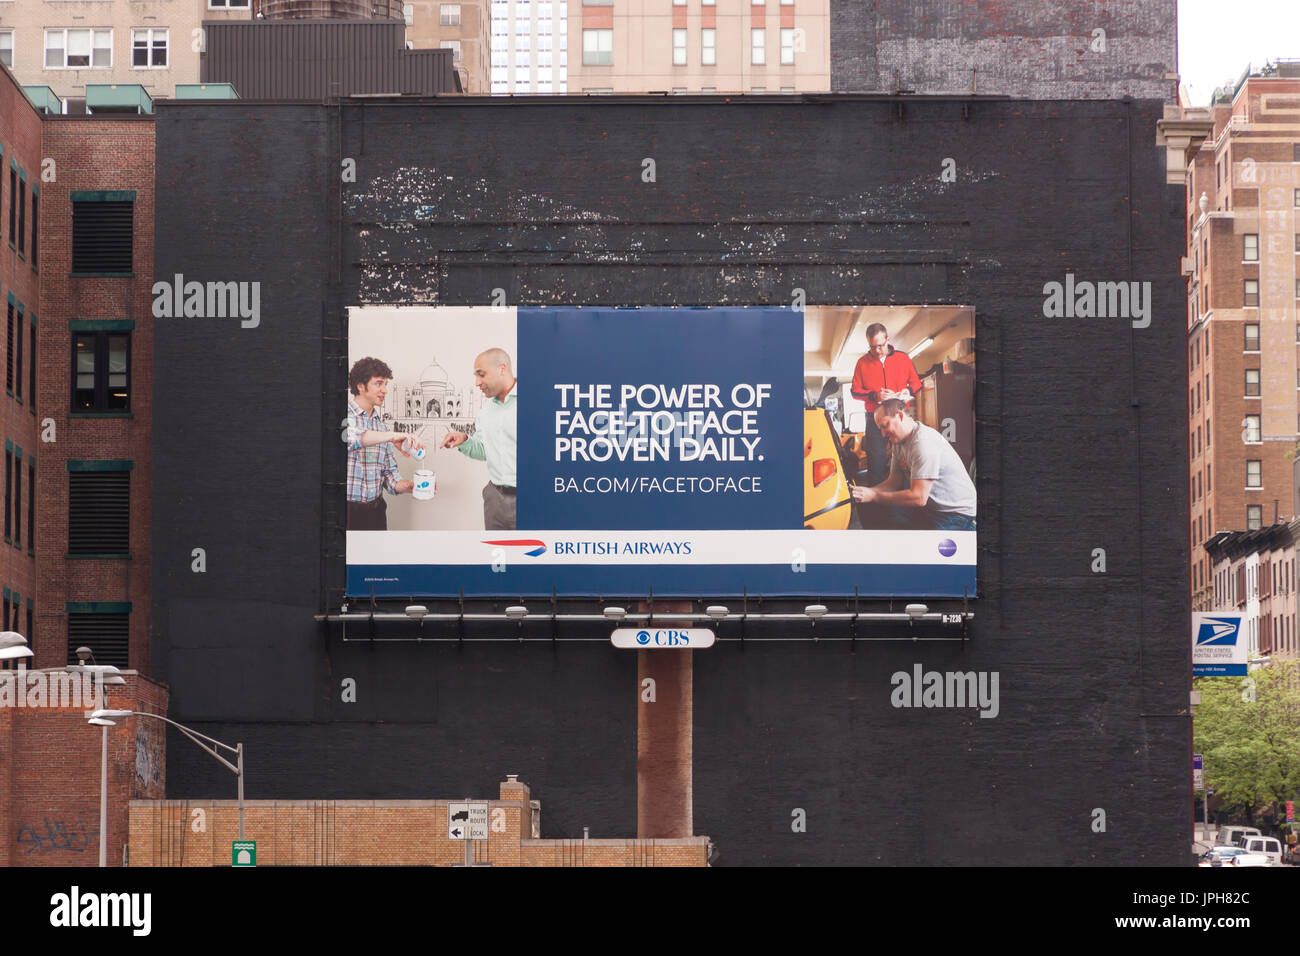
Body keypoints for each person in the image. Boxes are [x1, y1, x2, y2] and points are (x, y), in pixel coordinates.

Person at [850, 399, 975, 531]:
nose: (882, 433)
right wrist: (867, 492)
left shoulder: (923, 443)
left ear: (900, 415)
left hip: (955, 512)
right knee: (877, 513)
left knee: (921, 548)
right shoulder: (898, 443)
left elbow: (919, 497)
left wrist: (875, 496)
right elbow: (893, 483)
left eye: (885, 425)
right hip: (930, 507)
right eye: (880, 428)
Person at [442, 348, 518, 531]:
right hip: (495, 499)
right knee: (498, 556)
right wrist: (465, 440)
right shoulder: (486, 411)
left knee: (532, 556)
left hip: (532, 498)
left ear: (502, 369)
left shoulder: (537, 401)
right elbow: (485, 450)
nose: (477, 383)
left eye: (481, 375)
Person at [345, 357, 424, 530]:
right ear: (360, 385)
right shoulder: (341, 416)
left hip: (376, 513)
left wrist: (407, 485)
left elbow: (389, 474)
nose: (385, 390)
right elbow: (353, 438)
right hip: (345, 513)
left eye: (386, 384)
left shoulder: (381, 427)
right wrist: (392, 436)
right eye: (379, 384)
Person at [850, 323, 923, 487]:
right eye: (872, 347)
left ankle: (906, 499)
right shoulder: (862, 363)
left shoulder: (903, 358)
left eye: (880, 346)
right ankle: (876, 505)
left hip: (900, 418)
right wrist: (874, 395)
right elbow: (854, 392)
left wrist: (907, 391)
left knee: (906, 462)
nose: (876, 351)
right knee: (875, 466)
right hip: (874, 421)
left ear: (888, 339)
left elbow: (917, 384)